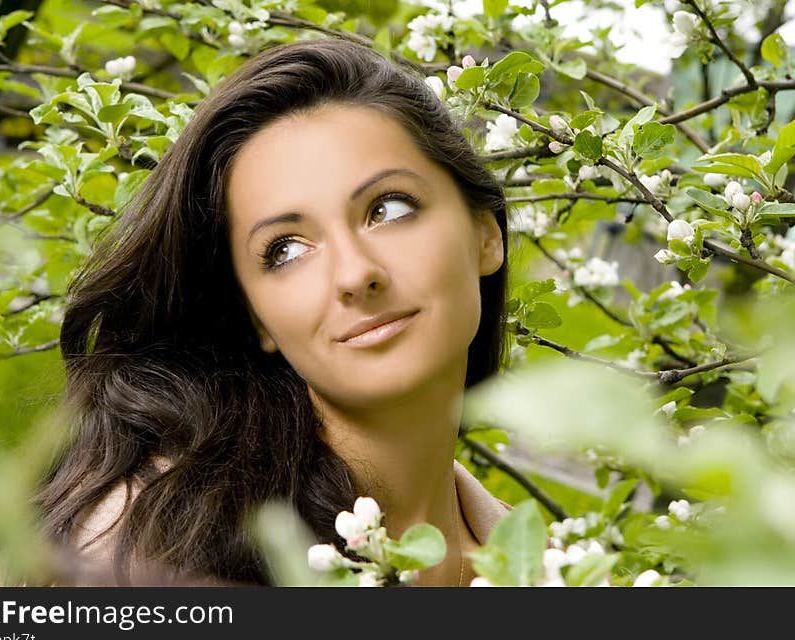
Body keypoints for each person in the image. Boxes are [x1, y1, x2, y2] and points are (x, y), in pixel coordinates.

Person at [34, 36, 511, 587]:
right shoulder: (142, 555)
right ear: (256, 315)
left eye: (388, 208)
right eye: (286, 249)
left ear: (485, 234)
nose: (356, 274)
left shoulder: (548, 569)